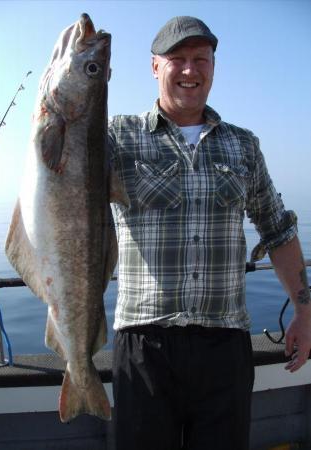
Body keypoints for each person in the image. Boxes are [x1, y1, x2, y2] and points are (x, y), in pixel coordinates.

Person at [108, 16, 311, 450]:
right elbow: (58, 171)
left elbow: (277, 229)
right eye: (176, 59)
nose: (189, 70)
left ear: (214, 66)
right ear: (154, 67)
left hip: (225, 347)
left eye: (200, 59)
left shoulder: (244, 145)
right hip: (144, 344)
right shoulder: (116, 138)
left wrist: (305, 311)